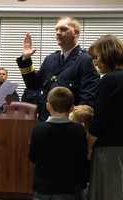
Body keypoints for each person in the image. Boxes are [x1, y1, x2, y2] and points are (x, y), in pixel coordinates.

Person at [16, 16, 100, 121]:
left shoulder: (86, 60)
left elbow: (87, 98)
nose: (58, 33)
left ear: (76, 33)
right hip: (46, 121)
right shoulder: (50, 59)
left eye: (63, 29)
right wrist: (26, 59)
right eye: (56, 29)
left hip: (70, 124)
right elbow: (33, 85)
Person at [29, 86, 88, 200]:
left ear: (47, 106)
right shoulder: (78, 129)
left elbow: (33, 157)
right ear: (72, 108)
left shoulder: (39, 128)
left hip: (43, 188)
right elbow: (82, 157)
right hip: (70, 188)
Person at [87, 35, 123, 200]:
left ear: (107, 54)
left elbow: (100, 121)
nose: (94, 62)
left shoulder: (109, 80)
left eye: (96, 57)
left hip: (110, 149)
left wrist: (88, 146)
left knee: (109, 192)